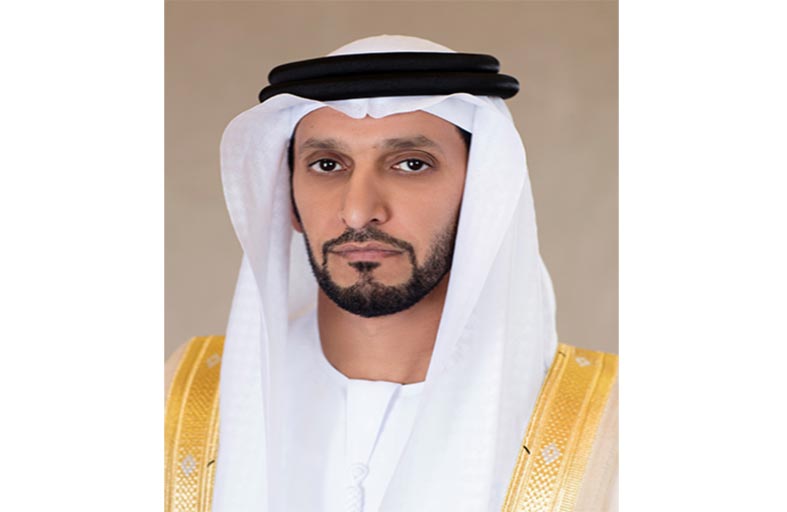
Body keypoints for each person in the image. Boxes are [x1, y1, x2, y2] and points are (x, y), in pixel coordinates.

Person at [165, 35, 618, 512]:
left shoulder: (609, 426)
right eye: (327, 165)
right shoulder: (181, 404)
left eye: (411, 164)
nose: (358, 211)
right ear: (290, 201)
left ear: (484, 194)